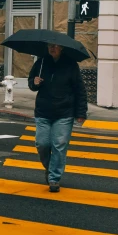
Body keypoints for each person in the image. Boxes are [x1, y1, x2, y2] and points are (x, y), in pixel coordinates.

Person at [28, 43, 87, 193]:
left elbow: (79, 90)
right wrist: (34, 83)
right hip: (43, 111)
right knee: (42, 144)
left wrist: (81, 113)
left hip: (64, 112)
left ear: (61, 48)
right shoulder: (41, 62)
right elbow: (32, 83)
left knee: (59, 145)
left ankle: (54, 178)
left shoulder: (70, 65)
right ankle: (50, 168)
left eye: (55, 46)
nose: (52, 48)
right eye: (49, 46)